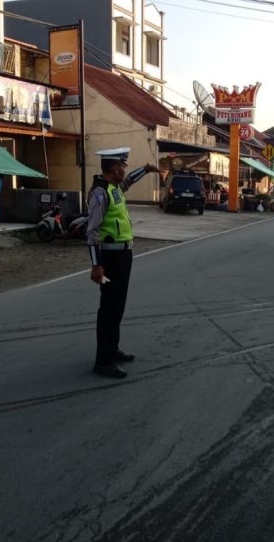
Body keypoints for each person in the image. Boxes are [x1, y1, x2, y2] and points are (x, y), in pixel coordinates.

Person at [86, 148, 160, 379]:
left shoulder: (114, 188)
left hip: (123, 256)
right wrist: (96, 265)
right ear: (113, 168)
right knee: (108, 308)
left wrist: (146, 170)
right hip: (109, 258)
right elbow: (92, 233)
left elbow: (129, 182)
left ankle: (112, 349)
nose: (125, 170)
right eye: (123, 166)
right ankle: (103, 360)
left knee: (117, 306)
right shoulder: (100, 194)